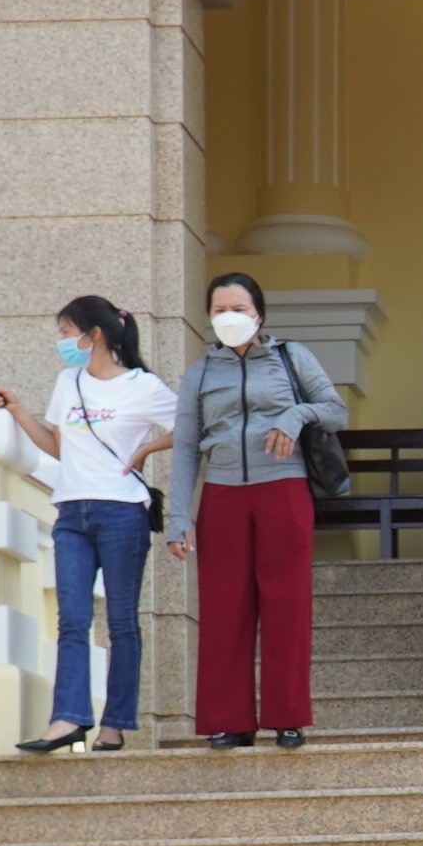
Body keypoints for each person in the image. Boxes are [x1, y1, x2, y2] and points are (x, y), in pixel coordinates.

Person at [164, 271, 348, 752]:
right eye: (219, 310)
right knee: (223, 607)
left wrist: (295, 414)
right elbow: (185, 447)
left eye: (238, 309)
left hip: (283, 489)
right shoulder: (200, 373)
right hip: (222, 496)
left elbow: (335, 409)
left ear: (259, 314)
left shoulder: (290, 357)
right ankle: (230, 720)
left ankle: (288, 717)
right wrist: (179, 516)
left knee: (287, 603)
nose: (229, 317)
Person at [0, 295, 172, 755]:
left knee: (123, 622)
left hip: (122, 512)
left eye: (68, 332)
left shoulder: (142, 386)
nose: (62, 342)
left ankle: (115, 724)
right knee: (72, 619)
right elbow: (58, 446)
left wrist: (147, 451)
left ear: (96, 335)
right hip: (71, 513)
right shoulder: (68, 382)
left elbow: (193, 428)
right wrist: (17, 410)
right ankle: (67, 719)